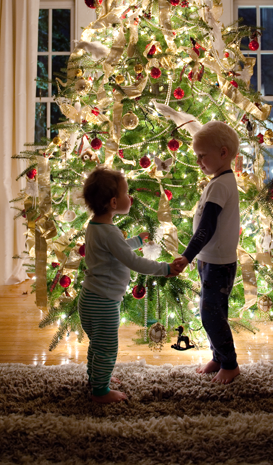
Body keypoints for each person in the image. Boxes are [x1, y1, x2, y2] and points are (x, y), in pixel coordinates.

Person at [78, 169, 186, 404]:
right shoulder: (110, 232)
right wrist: (165, 268)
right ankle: (100, 392)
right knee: (106, 348)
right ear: (114, 202)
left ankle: (96, 378)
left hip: (89, 299)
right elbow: (133, 261)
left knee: (97, 345)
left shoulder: (95, 226)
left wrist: (137, 241)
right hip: (104, 303)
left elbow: (115, 249)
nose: (131, 197)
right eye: (127, 193)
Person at [177, 122, 244, 385]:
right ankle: (218, 357)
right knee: (214, 312)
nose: (198, 161)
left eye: (202, 155)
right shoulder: (219, 181)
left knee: (211, 314)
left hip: (217, 263)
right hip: (212, 261)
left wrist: (187, 255)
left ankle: (230, 364)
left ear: (224, 153)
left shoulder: (220, 185)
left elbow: (207, 227)